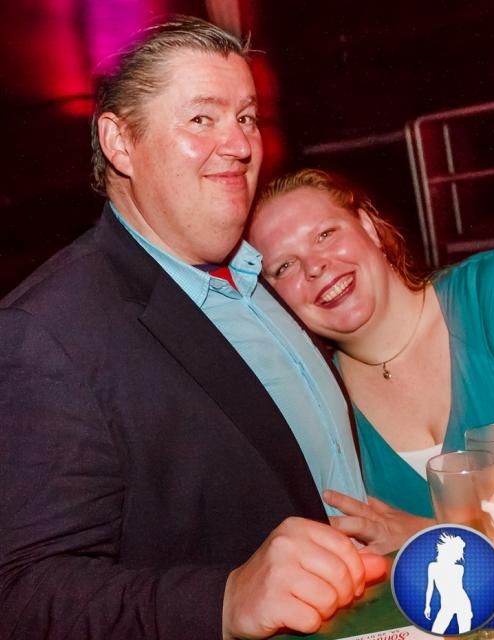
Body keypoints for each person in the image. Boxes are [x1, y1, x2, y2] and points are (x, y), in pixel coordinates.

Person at [0, 19, 387, 640]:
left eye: (246, 117)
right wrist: (223, 600)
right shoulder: (50, 332)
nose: (239, 144)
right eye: (202, 119)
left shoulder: (265, 275)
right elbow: (23, 596)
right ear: (120, 142)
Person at [248, 168, 494, 548]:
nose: (314, 266)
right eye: (284, 266)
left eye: (325, 234)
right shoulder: (321, 413)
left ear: (368, 227)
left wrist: (431, 535)